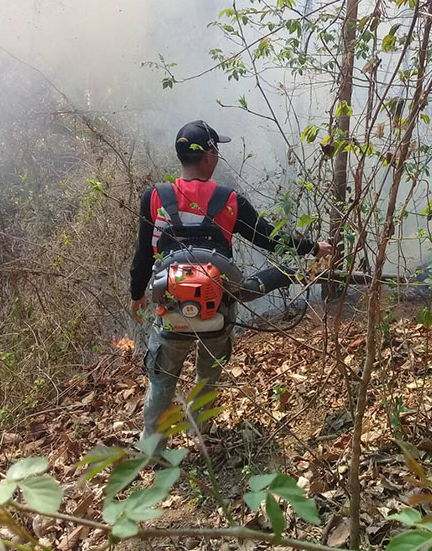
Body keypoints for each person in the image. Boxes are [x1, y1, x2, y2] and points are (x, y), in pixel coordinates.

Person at [130, 119, 332, 450]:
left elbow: (142, 255)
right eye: (216, 150)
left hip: (171, 313)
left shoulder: (153, 197)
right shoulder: (229, 200)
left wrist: (137, 294)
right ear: (208, 155)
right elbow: (270, 237)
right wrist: (313, 247)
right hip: (217, 314)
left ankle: (153, 448)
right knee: (207, 376)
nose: (218, 156)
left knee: (162, 380)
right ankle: (200, 434)